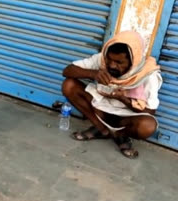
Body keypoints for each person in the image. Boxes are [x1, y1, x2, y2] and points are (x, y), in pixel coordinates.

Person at [62, 31, 162, 159]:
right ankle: (101, 129)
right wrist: (93, 74)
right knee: (69, 85)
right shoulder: (103, 59)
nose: (112, 65)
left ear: (133, 60)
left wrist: (123, 99)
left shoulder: (148, 74)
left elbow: (150, 111)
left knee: (147, 126)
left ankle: (120, 135)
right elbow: (67, 70)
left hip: (127, 116)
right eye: (110, 60)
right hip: (101, 107)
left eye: (119, 62)